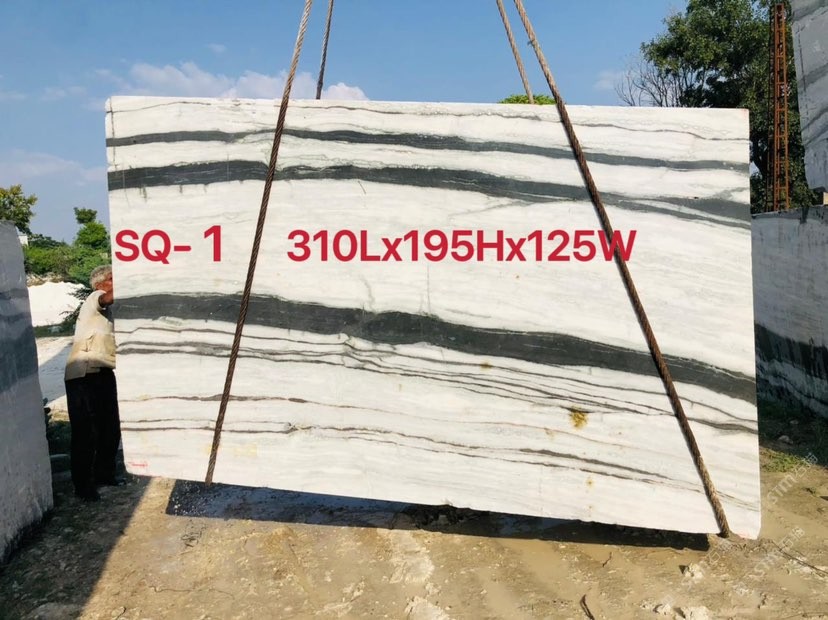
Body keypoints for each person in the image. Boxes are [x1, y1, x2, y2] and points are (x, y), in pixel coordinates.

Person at [64, 264, 122, 501]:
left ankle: (104, 474)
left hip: (103, 370)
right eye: (112, 279)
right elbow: (107, 298)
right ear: (100, 284)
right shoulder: (94, 298)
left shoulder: (109, 313)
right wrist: (130, 279)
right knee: (85, 432)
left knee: (110, 427)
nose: (115, 282)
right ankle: (83, 486)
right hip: (83, 372)